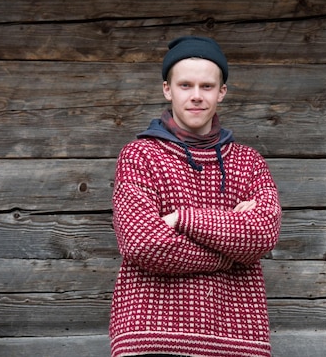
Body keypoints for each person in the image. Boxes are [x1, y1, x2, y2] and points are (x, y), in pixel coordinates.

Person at [109, 36, 282, 357]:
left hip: (235, 334)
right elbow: (143, 244)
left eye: (206, 86)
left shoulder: (249, 162)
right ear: (167, 89)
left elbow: (263, 234)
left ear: (222, 92)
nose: (196, 96)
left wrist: (180, 219)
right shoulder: (140, 156)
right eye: (185, 85)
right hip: (151, 335)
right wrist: (229, 252)